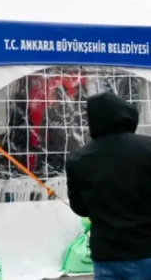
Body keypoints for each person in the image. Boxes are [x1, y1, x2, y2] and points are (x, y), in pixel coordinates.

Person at [66, 92, 151, 279]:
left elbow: (80, 208)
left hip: (106, 253)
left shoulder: (78, 159)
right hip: (145, 250)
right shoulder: (147, 148)